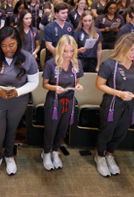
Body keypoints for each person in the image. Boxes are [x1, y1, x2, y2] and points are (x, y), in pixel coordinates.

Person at [0, 27, 39, 178]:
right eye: (4, 45)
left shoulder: (28, 58)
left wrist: (17, 92)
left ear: (18, 43)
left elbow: (34, 82)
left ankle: (8, 156)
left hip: (18, 100)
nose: (8, 49)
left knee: (12, 129)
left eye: (11, 45)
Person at [94, 33, 134, 177]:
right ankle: (100, 157)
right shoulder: (109, 64)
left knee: (120, 133)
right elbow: (99, 85)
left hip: (130, 106)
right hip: (112, 105)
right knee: (107, 132)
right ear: (122, 48)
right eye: (131, 50)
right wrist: (119, 93)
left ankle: (109, 155)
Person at [42, 35, 84, 170]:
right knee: (51, 128)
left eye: (71, 51)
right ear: (60, 49)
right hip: (54, 101)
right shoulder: (51, 63)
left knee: (62, 128)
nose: (68, 54)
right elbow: (45, 85)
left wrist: (79, 87)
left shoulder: (76, 63)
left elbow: (77, 82)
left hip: (69, 100)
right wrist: (55, 88)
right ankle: (46, 153)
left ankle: (55, 151)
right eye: (65, 51)